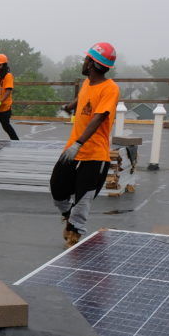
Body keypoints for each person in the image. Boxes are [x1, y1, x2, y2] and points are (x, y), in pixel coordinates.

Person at [50, 42, 120, 248]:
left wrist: (79, 143)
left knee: (83, 199)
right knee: (57, 189)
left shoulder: (110, 89)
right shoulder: (87, 84)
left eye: (86, 58)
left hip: (94, 154)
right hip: (73, 149)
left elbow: (98, 118)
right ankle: (69, 217)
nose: (84, 61)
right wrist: (68, 107)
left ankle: (74, 234)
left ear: (92, 63)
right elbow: (82, 100)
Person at [0, 53, 19, 140]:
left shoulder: (8, 76)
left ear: (4, 65)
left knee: (6, 127)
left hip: (4, 108)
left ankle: (17, 142)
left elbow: (8, 91)